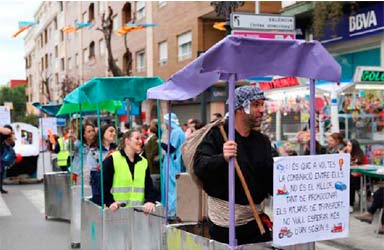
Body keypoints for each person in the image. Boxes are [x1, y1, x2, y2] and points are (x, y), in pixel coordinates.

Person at [193, 85, 273, 244]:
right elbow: (200, 167)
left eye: (262, 104)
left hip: (255, 221)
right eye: (256, 105)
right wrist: (222, 157)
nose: (262, 109)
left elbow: (270, 180)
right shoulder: (217, 135)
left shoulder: (262, 142)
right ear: (240, 108)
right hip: (224, 226)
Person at [103, 129, 158, 212]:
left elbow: (148, 186)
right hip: (116, 212)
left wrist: (150, 201)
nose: (140, 141)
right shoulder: (112, 159)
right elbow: (104, 186)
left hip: (137, 213)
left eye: (141, 139)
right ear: (127, 141)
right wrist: (110, 202)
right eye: (137, 138)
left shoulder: (143, 162)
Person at [161, 113, 186, 219]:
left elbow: (171, 148)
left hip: (173, 165)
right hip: (173, 164)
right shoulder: (178, 131)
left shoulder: (176, 132)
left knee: (171, 188)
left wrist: (161, 143)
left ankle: (172, 212)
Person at [87, 124, 117, 205]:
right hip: (100, 191)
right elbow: (94, 174)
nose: (114, 134)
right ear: (103, 133)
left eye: (115, 132)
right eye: (111, 131)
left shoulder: (118, 150)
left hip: (116, 191)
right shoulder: (93, 152)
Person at [343, 139, 368, 212]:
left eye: (350, 146)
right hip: (349, 177)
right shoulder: (345, 154)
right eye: (347, 145)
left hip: (359, 178)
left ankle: (350, 204)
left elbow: (365, 169)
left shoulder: (360, 156)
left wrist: (357, 173)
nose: (347, 147)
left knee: (350, 181)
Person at [0, 125, 15, 194]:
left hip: (2, 158)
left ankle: (1, 188)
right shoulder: (3, 135)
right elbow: (8, 131)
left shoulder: (6, 137)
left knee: (1, 173)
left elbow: (12, 144)